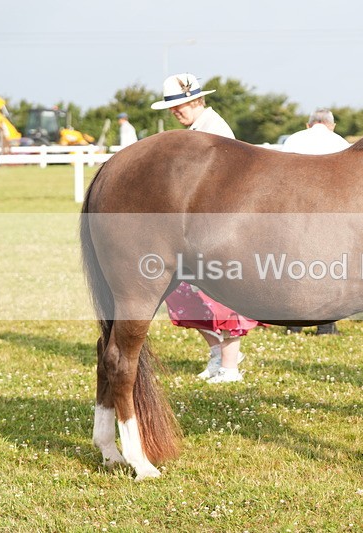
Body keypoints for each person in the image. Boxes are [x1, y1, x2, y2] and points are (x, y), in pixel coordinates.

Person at [151, 72, 255, 383]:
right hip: (197, 227)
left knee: (222, 296)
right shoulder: (198, 129)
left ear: (197, 101)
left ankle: (230, 365)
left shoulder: (215, 131)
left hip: (219, 226)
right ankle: (217, 354)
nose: (175, 111)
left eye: (180, 105)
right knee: (182, 294)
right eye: (172, 107)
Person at [281, 108, 350, 335]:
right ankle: (326, 325)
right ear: (332, 125)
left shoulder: (293, 140)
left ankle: (293, 324)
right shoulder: (341, 142)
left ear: (308, 124)